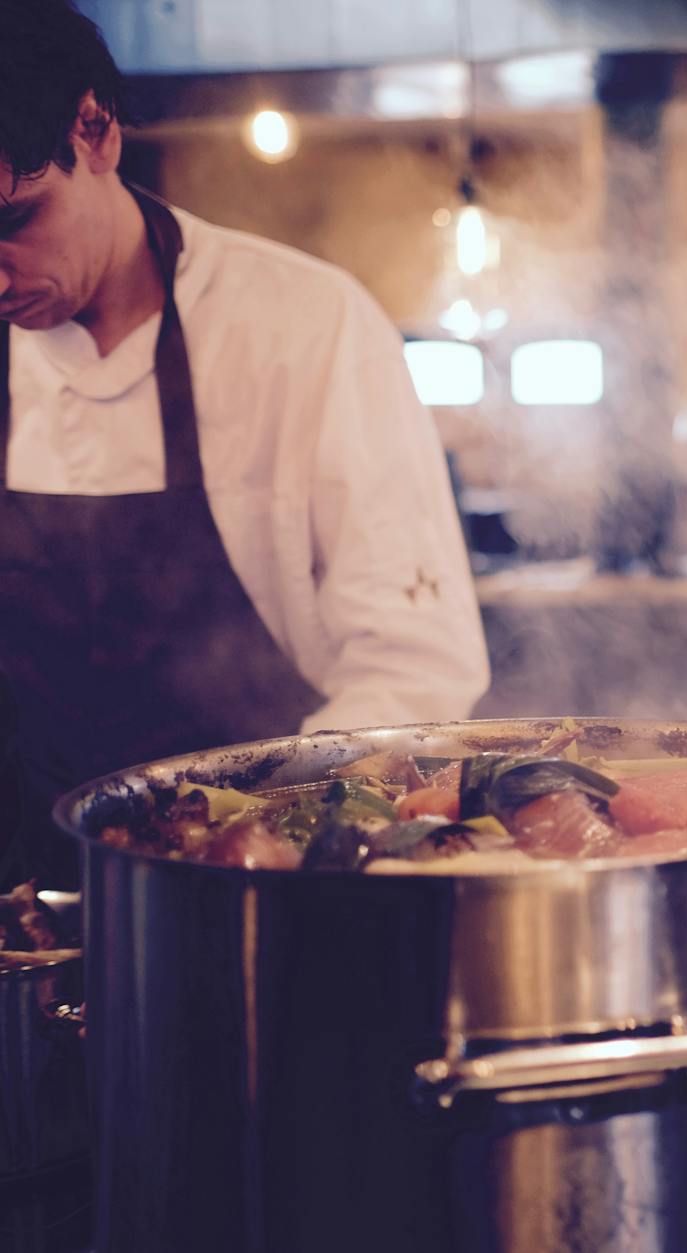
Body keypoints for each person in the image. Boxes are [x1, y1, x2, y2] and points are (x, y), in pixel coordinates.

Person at [0, 0, 490, 885]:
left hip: (258, 896)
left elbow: (413, 666)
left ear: (95, 129)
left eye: (15, 220)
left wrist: (267, 850)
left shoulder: (303, 327)